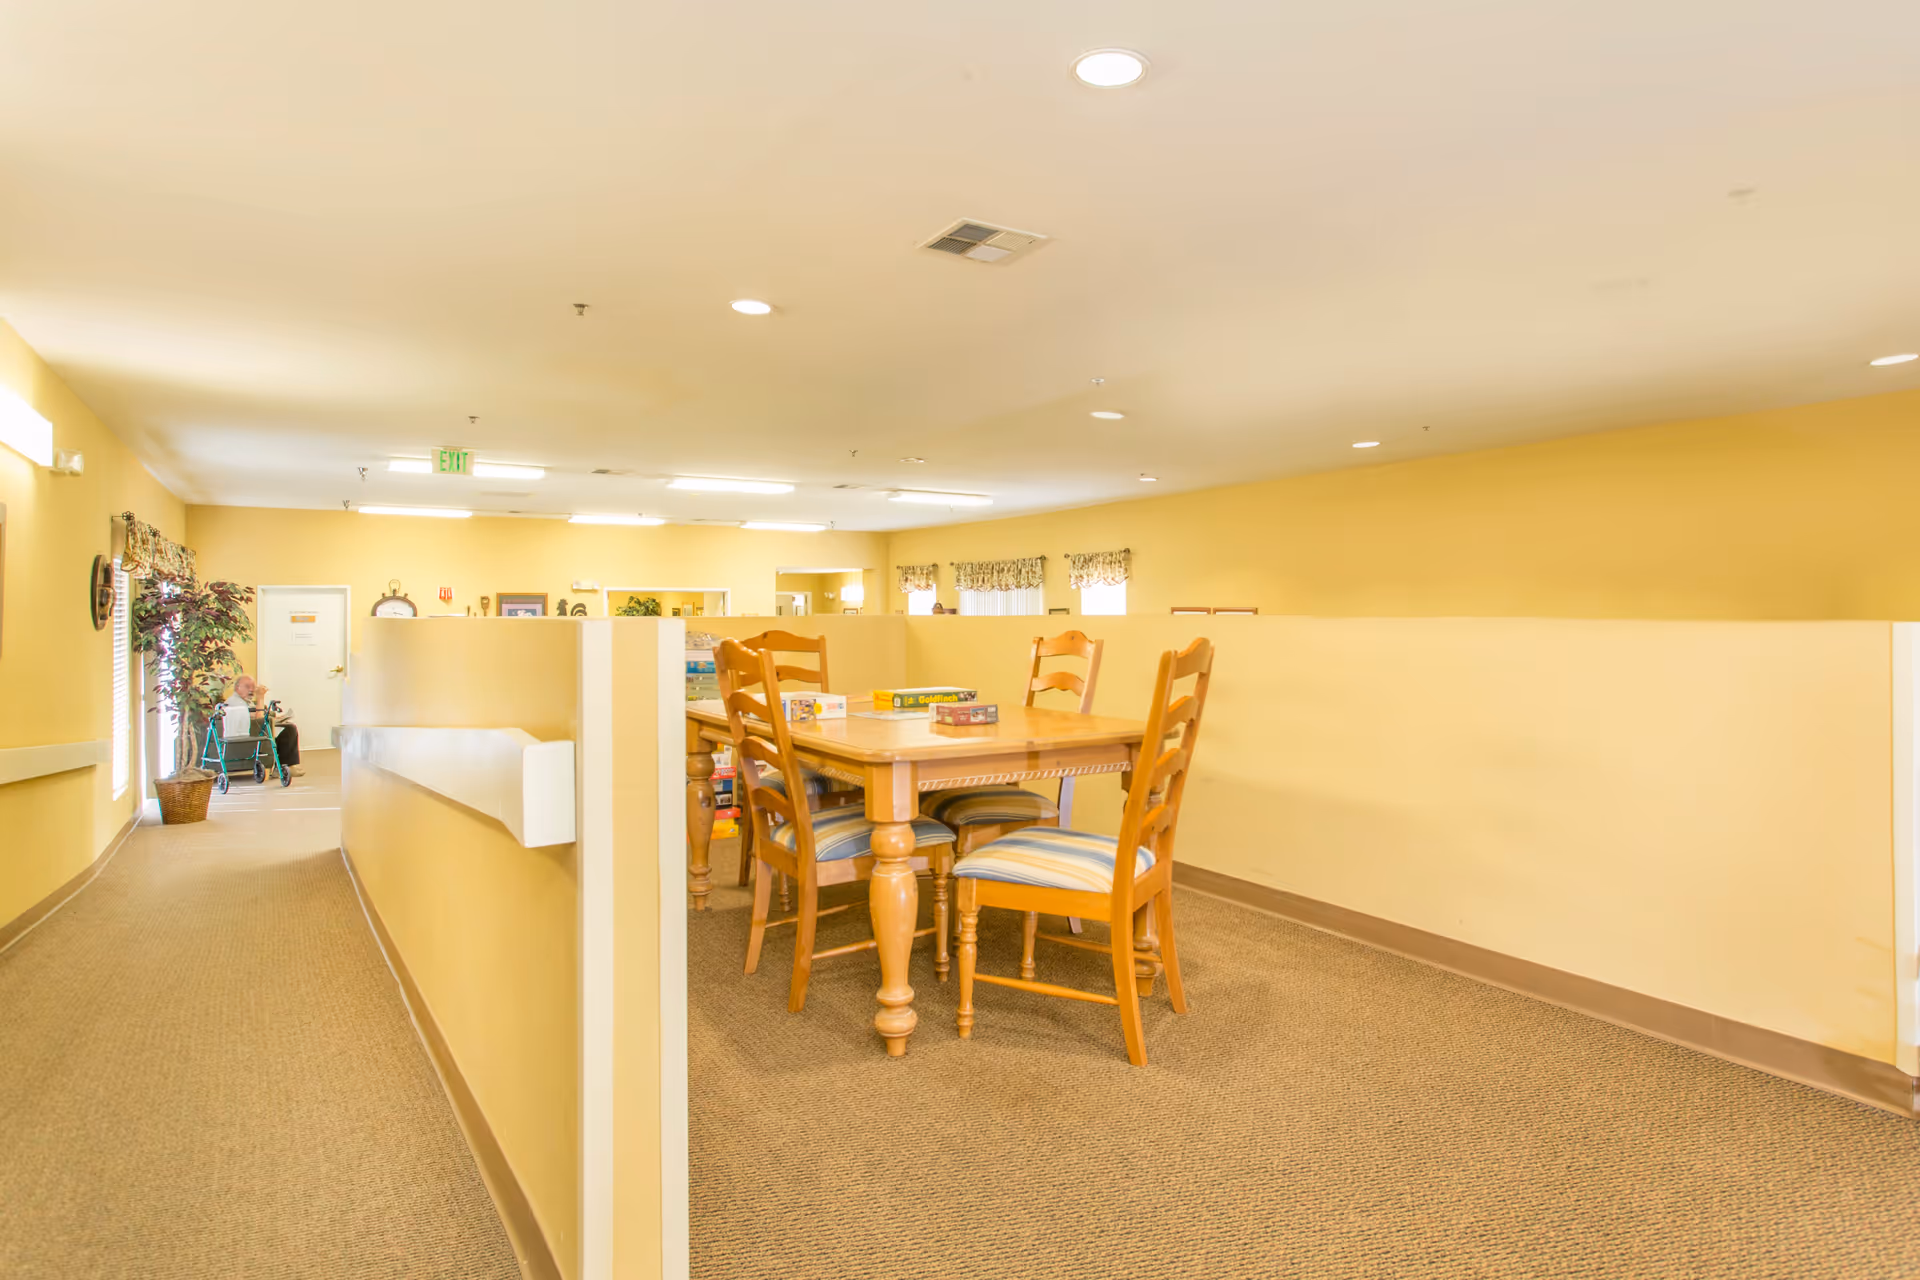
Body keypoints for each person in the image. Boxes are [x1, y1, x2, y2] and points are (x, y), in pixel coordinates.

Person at [225, 675, 303, 778]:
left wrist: (276, 718)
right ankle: (284, 766)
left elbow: (255, 716)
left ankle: (286, 765)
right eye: (247, 686)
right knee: (289, 729)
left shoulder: (243, 701)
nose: (251, 690)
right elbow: (259, 721)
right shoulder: (236, 703)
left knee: (287, 726)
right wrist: (260, 698)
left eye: (253, 687)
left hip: (253, 732)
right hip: (248, 737)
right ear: (237, 688)